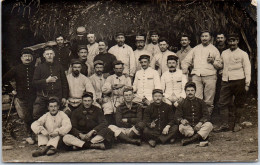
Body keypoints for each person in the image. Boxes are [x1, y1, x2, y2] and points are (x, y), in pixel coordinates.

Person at [214, 33, 251, 132]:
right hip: (226, 81)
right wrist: (216, 63)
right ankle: (224, 125)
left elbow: (247, 68)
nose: (232, 43)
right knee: (222, 103)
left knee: (239, 103)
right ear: (228, 42)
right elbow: (220, 65)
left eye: (234, 41)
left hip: (239, 81)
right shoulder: (224, 53)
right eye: (230, 41)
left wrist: (247, 83)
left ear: (237, 41)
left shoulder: (243, 54)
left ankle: (237, 124)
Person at [182, 30, 222, 115]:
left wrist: (213, 61)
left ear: (210, 38)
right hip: (197, 76)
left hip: (210, 76)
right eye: (202, 36)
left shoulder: (214, 50)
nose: (204, 38)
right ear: (200, 38)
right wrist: (185, 68)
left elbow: (219, 65)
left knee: (208, 99)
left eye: (206, 36)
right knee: (196, 98)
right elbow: (186, 61)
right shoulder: (195, 49)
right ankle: (197, 118)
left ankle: (207, 118)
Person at [3, 48, 36, 144]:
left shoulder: (35, 68)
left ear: (32, 58)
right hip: (22, 96)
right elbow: (4, 79)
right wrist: (11, 90)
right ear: (21, 58)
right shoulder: (16, 69)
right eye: (25, 56)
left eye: (29, 56)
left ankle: (37, 134)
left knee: (35, 114)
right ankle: (29, 135)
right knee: (26, 117)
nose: (27, 58)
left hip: (34, 96)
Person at [32, 46, 69, 120]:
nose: (49, 56)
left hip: (57, 95)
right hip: (43, 96)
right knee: (36, 114)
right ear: (44, 55)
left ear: (54, 55)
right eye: (47, 54)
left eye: (51, 54)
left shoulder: (59, 67)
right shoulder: (39, 68)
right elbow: (34, 83)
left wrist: (64, 97)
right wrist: (46, 81)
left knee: (59, 115)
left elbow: (64, 83)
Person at [174, 82, 213, 146]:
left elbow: (207, 115)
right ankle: (200, 136)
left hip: (199, 126)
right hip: (188, 127)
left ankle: (190, 140)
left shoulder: (201, 102)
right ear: (185, 92)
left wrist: (200, 123)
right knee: (181, 127)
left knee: (209, 125)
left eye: (192, 90)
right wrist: (181, 120)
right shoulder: (181, 103)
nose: (190, 92)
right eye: (188, 90)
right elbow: (177, 116)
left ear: (195, 91)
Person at [214, 32, 228, 114]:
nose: (219, 40)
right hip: (214, 73)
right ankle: (216, 110)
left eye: (221, 38)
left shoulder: (228, 49)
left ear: (225, 39)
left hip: (225, 74)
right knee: (216, 91)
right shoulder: (214, 49)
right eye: (218, 38)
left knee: (223, 92)